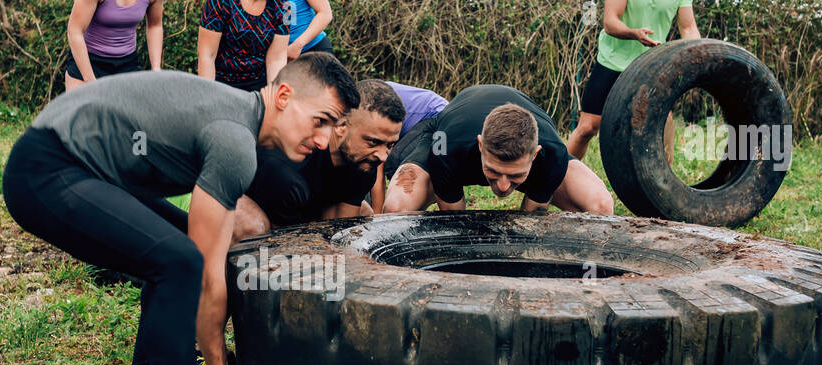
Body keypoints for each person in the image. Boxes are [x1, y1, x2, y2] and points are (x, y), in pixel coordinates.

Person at [1, 54, 358, 365]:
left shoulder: (236, 121)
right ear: (284, 97)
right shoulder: (235, 141)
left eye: (335, 127)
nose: (326, 140)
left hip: (74, 166)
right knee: (179, 263)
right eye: (321, 121)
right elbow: (207, 276)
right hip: (48, 170)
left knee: (169, 250)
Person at [382, 84, 613, 214]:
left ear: (535, 155)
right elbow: (454, 220)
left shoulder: (553, 154)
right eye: (494, 171)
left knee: (601, 204)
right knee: (396, 206)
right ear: (481, 146)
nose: (502, 186)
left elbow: (530, 221)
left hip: (532, 138)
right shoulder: (446, 148)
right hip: (446, 133)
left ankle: (585, 274)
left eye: (515, 175)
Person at [235, 78, 404, 239]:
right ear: (341, 126)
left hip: (305, 200)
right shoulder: (289, 163)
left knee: (363, 219)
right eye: (374, 142)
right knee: (253, 228)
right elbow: (283, 244)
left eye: (390, 145)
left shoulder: (365, 163)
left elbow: (341, 231)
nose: (382, 156)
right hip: (237, 192)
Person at [566, 0, 700, 161]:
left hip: (651, 64)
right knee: (587, 128)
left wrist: (696, 55)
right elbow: (610, 22)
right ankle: (561, 176)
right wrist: (634, 33)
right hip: (613, 62)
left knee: (662, 126)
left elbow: (688, 27)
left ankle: (663, 183)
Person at [63, 0, 165, 92]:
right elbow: (75, 31)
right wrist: (90, 80)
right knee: (84, 110)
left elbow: (154, 26)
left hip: (127, 63)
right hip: (88, 62)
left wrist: (156, 68)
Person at [198, 0, 289, 92]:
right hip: (222, 81)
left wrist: (274, 95)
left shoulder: (287, 6)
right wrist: (207, 95)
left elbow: (277, 58)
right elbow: (207, 55)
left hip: (259, 82)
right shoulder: (218, 2)